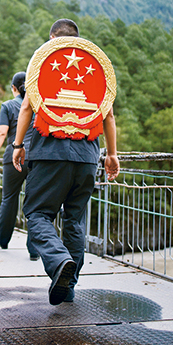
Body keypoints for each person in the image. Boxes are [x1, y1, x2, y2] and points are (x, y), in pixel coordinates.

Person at [12, 19, 120, 305]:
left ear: (51, 38)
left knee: (37, 214)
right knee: (74, 221)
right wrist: (111, 154)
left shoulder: (44, 60)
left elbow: (26, 106)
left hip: (49, 154)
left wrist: (18, 144)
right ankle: (68, 286)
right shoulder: (93, 64)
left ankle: (59, 262)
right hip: (86, 157)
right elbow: (108, 116)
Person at [0, 71, 38, 261]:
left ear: (14, 88)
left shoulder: (8, 106)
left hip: (14, 155)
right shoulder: (38, 106)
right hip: (36, 156)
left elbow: (2, 133)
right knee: (36, 201)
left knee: (9, 198)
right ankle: (34, 249)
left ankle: (3, 238)